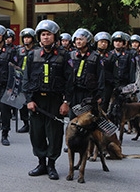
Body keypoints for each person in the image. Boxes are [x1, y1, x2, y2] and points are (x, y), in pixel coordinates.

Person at [23, 20, 73, 180]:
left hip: (55, 101)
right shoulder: (32, 55)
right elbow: (26, 79)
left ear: (55, 36)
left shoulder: (64, 56)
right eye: (43, 35)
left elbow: (70, 81)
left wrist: (66, 102)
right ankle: (41, 163)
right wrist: (29, 100)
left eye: (48, 34)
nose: (45, 37)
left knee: (54, 134)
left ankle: (52, 165)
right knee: (36, 133)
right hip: (37, 102)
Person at [68, 28, 104, 115]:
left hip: (89, 93)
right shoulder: (71, 55)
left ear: (87, 41)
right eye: (77, 39)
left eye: (81, 39)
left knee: (88, 119)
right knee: (73, 120)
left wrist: (99, 95)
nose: (78, 42)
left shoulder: (95, 56)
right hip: (74, 93)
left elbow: (101, 76)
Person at [15, 28, 35, 133]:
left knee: (31, 102)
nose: (26, 40)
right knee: (22, 103)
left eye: (28, 37)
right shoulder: (19, 51)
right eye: (25, 38)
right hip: (21, 79)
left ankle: (33, 123)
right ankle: (25, 123)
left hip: (32, 80)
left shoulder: (36, 51)